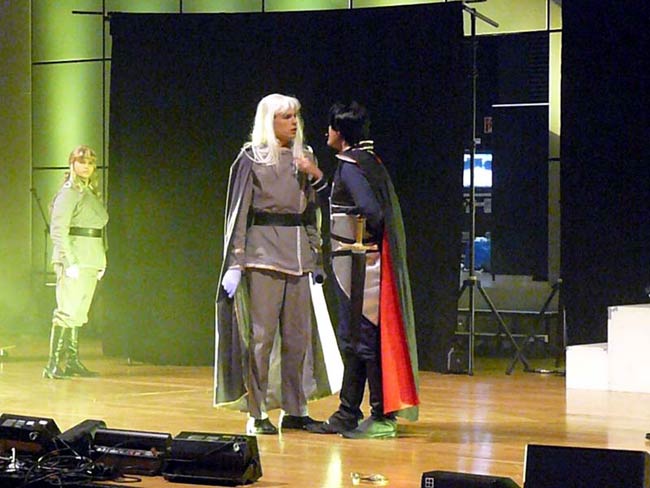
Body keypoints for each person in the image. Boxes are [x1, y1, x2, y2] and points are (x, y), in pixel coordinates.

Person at [214, 93, 339, 435]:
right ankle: (257, 413)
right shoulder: (251, 157)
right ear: (269, 122)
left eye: (296, 115)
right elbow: (239, 212)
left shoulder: (305, 156)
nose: (294, 122)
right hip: (263, 256)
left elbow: (311, 212)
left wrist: (315, 256)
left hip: (297, 256)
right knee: (262, 338)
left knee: (298, 339)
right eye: (286, 117)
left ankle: (296, 409)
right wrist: (236, 262)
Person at [296, 101, 419, 439]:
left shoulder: (350, 166)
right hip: (358, 264)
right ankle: (348, 412)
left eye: (331, 127)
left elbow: (371, 212)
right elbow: (345, 203)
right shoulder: (365, 160)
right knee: (355, 339)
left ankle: (380, 415)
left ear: (340, 132)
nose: (327, 132)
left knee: (362, 340)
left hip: (358, 266)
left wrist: (361, 245)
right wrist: (318, 177)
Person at [43, 145, 108, 379]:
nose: (86, 167)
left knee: (79, 313)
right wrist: (69, 261)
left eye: (90, 163)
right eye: (81, 162)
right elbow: (58, 230)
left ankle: (71, 361)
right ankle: (52, 364)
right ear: (72, 164)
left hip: (90, 258)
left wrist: (100, 261)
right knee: (67, 310)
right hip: (75, 258)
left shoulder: (89, 192)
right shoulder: (69, 192)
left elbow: (97, 230)